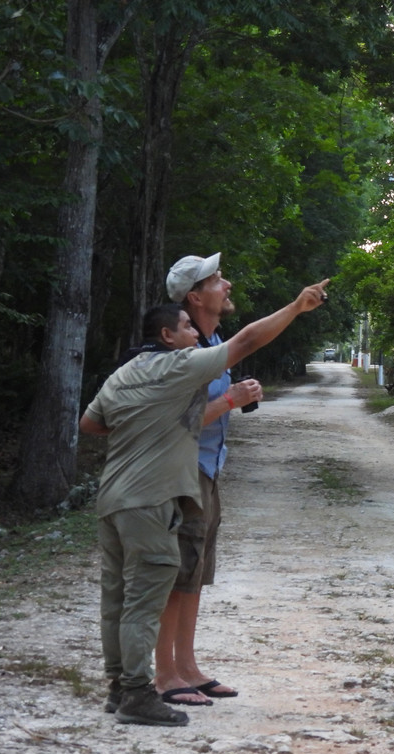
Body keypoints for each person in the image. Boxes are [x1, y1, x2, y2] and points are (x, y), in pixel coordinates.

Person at [80, 277, 329, 727]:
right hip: (152, 498)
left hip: (113, 497)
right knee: (145, 599)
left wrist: (147, 427)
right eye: (186, 327)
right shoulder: (180, 367)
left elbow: (91, 424)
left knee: (116, 598)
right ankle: (140, 693)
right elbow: (248, 339)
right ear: (168, 337)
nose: (196, 334)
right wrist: (295, 307)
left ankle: (119, 688)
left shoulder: (124, 373)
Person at [152, 253, 259, 707]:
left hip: (209, 469)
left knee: (195, 572)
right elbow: (175, 422)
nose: (227, 284)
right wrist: (231, 401)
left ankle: (188, 666)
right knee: (174, 572)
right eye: (217, 279)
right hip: (182, 473)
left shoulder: (212, 341)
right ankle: (164, 675)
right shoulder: (182, 350)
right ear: (195, 296)